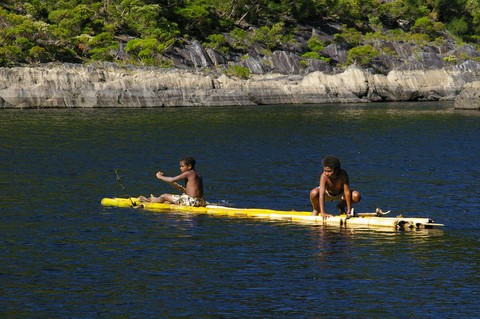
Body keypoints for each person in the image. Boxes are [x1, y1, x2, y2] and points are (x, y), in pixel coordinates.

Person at [141, 156, 206, 207]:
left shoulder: (188, 173)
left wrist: (159, 176)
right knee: (167, 201)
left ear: (189, 166)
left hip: (192, 201)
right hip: (201, 201)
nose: (180, 168)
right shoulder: (197, 174)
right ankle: (155, 199)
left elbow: (172, 179)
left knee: (164, 196)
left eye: (182, 166)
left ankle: (149, 202)